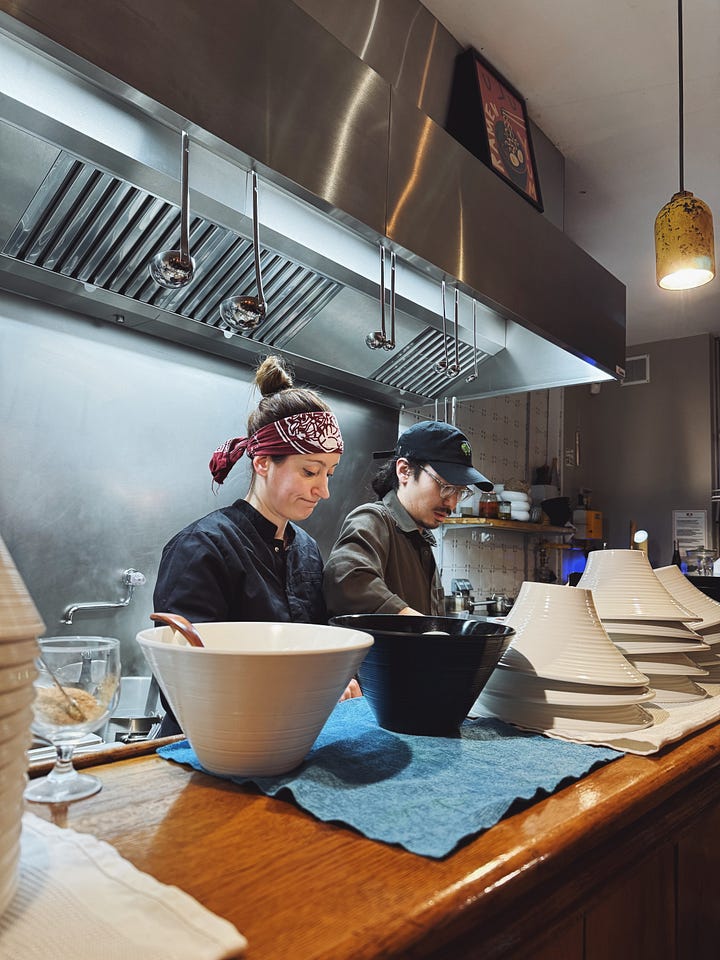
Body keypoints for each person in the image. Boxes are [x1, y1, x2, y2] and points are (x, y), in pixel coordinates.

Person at [153, 355, 348, 736]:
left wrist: (338, 680)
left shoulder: (307, 550)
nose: (323, 490)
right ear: (262, 463)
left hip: (286, 738)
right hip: (205, 745)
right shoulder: (202, 547)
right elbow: (186, 679)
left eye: (329, 473)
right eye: (310, 471)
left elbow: (315, 649)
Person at [323, 420, 493, 618]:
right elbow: (347, 579)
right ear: (404, 471)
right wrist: (421, 625)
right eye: (445, 487)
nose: (452, 503)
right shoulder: (374, 519)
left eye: (460, 492)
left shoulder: (420, 538)